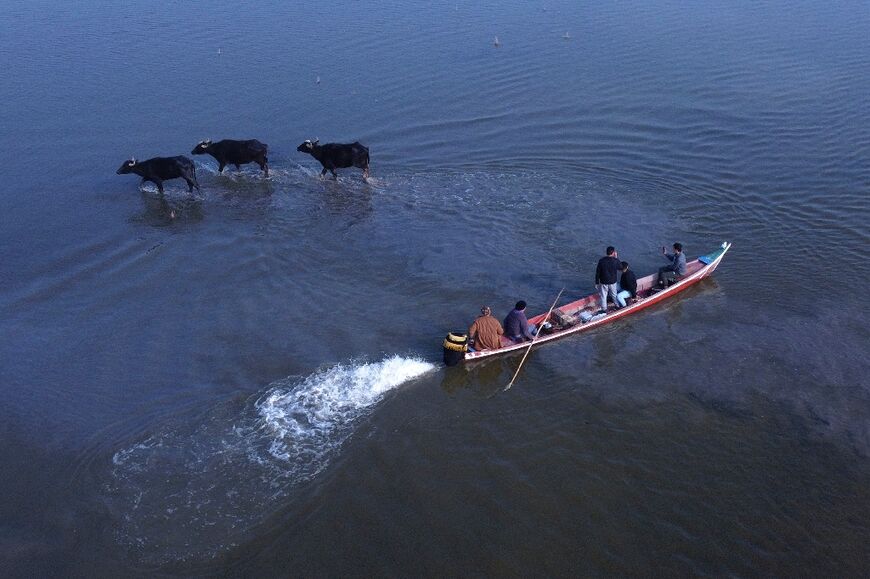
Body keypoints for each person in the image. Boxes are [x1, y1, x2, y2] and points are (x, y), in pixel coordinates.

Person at [595, 246, 622, 313]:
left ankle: (604, 309)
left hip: (603, 281)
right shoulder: (615, 261)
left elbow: (597, 272)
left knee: (603, 296)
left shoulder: (601, 261)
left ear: (606, 252)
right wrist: (616, 257)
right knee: (614, 294)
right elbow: (621, 267)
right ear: (613, 253)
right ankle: (617, 305)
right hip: (612, 282)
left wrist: (596, 282)